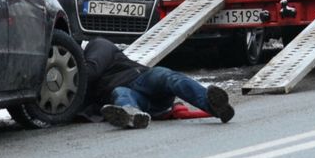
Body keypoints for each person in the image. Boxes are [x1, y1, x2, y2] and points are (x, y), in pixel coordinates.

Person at [83, 37, 234, 129]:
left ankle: (214, 106)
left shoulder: (97, 45)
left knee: (165, 76)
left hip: (141, 79)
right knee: (120, 93)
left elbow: (92, 70)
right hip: (140, 102)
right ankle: (133, 116)